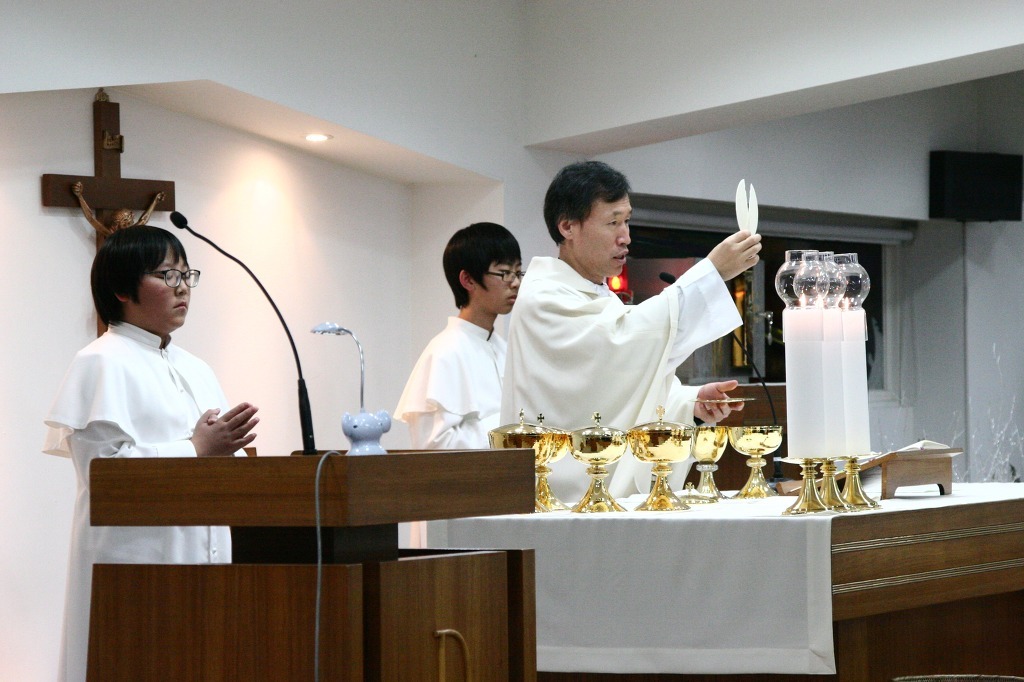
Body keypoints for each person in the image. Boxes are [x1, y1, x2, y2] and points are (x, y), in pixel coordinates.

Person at [42, 225, 259, 682]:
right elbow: (105, 475)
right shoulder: (100, 362)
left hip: (207, 560)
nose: (182, 288)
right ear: (121, 289)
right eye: (166, 275)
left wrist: (233, 460)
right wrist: (196, 449)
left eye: (186, 274)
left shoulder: (195, 368)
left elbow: (217, 462)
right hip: (135, 568)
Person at [501, 160, 762, 502]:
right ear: (567, 227)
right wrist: (711, 273)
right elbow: (620, 345)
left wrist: (689, 404)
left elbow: (614, 383)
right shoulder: (544, 298)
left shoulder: (597, 295)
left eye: (627, 221)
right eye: (612, 222)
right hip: (563, 500)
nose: (625, 236)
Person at [395, 221, 522, 450]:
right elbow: (432, 445)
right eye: (504, 273)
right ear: (468, 280)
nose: (515, 283)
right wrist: (509, 429)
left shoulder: (504, 348)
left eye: (518, 272)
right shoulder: (445, 351)